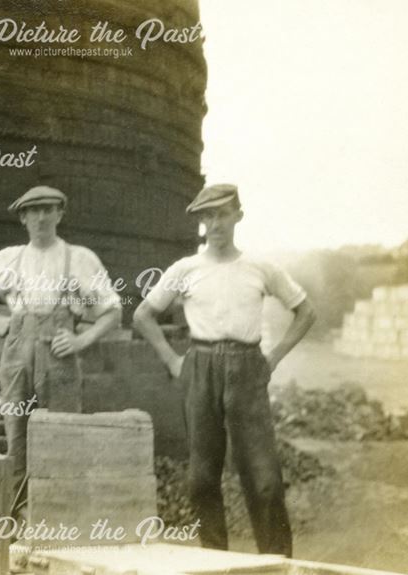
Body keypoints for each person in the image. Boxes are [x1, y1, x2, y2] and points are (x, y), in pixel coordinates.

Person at [132, 183, 316, 557]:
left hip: (248, 368)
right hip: (200, 368)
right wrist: (172, 360)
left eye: (221, 214)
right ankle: (214, 560)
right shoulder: (186, 268)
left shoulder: (260, 268)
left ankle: (276, 564)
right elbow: (143, 316)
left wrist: (275, 356)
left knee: (265, 481)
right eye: (206, 216)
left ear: (238, 216)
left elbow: (306, 312)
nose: (214, 223)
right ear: (201, 222)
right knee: (201, 479)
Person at [0, 186, 122, 499]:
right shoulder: (10, 259)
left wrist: (81, 339)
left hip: (58, 358)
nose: (42, 216)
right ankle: (18, 521)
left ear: (60, 213)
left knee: (61, 436)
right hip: (18, 356)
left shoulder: (79, 259)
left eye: (49, 209)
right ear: (23, 217)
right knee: (17, 436)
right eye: (33, 210)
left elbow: (113, 311)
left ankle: (57, 517)